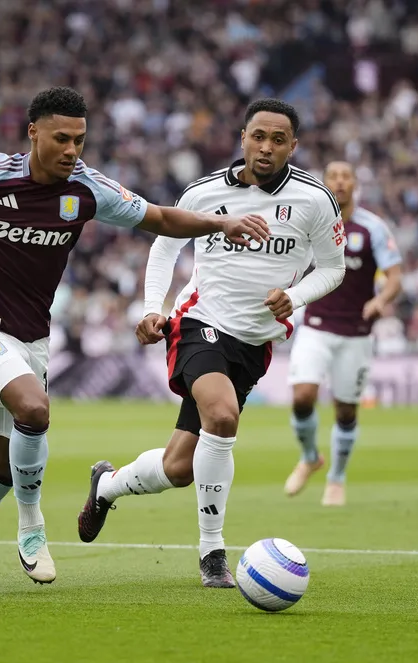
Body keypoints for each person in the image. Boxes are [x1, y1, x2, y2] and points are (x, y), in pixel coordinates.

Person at [0, 86, 270, 585]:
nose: (72, 151)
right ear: (33, 133)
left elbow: (161, 218)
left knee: (1, 467)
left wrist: (220, 223)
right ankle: (32, 527)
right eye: (61, 138)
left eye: (80, 140)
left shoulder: (88, 189)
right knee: (34, 410)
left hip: (32, 341)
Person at [76, 99, 346, 588]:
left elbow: (333, 267)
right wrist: (151, 308)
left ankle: (107, 486)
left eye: (278, 140)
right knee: (222, 416)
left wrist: (295, 295)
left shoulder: (314, 200)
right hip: (199, 321)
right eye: (258, 136)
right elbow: (164, 245)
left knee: (180, 467)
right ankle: (212, 553)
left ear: (294, 146)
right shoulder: (203, 193)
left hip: (255, 342)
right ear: (242, 137)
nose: (266, 147)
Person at [283, 160, 402, 507]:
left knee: (346, 410)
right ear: (324, 182)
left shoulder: (373, 228)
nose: (339, 182)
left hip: (356, 332)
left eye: (346, 176)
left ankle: (336, 478)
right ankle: (309, 457)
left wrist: (382, 300)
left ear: (354, 184)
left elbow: (395, 276)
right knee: (303, 396)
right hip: (316, 326)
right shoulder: (311, 221)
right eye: (333, 176)